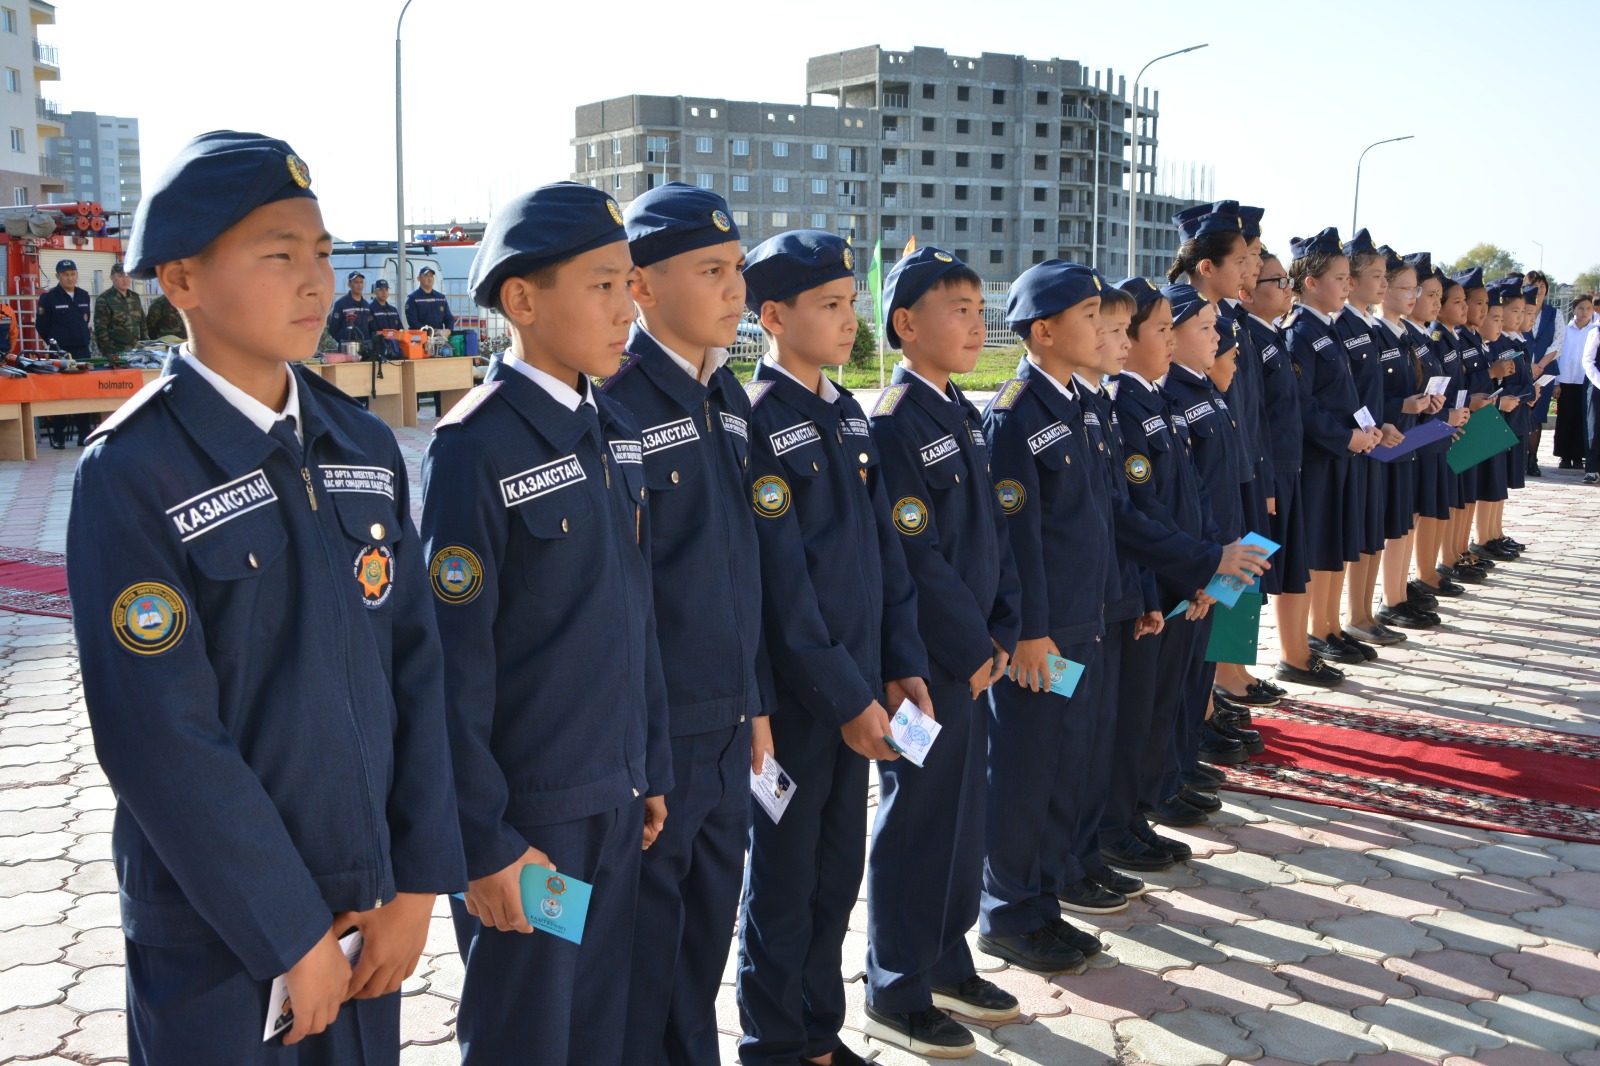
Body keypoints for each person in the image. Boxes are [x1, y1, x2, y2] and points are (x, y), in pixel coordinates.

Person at [65, 129, 465, 1065]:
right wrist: (288, 931)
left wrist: (416, 885)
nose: (315, 282)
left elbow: (416, 666)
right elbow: (160, 736)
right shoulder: (134, 472)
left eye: (322, 253)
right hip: (223, 936)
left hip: (368, 914)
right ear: (182, 281)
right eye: (279, 255)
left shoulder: (363, 447)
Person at [419, 182, 671, 1066]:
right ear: (523, 300)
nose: (625, 307)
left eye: (628, 283)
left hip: (612, 795)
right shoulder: (474, 447)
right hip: (532, 820)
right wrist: (484, 842)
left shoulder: (604, 427)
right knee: (526, 1033)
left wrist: (650, 766)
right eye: (601, 284)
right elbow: (448, 668)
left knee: (598, 1024)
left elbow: (633, 617)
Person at [734, 230, 930, 1066]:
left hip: (858, 692)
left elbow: (886, 556)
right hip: (800, 704)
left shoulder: (847, 413)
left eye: (851, 304)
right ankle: (775, 1042)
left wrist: (902, 664)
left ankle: (819, 1032)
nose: (850, 321)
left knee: (832, 875)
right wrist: (848, 698)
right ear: (773, 316)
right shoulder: (759, 423)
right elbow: (781, 588)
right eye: (829, 305)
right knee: (781, 885)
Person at [602, 183, 768, 1066]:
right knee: (645, 955)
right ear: (642, 287)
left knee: (702, 941)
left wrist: (758, 704)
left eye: (737, 267)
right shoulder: (618, 404)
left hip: (728, 722)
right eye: (711, 270)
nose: (734, 288)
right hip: (658, 734)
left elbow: (745, 569)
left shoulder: (727, 397)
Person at [861, 246, 1021, 1058]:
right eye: (956, 308)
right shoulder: (892, 422)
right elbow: (913, 555)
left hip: (975, 657)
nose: (975, 321)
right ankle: (895, 984)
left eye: (977, 306)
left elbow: (995, 534)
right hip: (925, 667)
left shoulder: (960, 409)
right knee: (918, 820)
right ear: (905, 325)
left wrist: (1005, 627)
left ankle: (947, 958)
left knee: (962, 821)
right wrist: (972, 643)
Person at [1279, 229, 1382, 686]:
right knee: (1315, 548)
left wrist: (1365, 428)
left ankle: (1327, 627)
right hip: (1318, 459)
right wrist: (1344, 438)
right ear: (1310, 283)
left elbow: (1345, 395)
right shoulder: (1301, 332)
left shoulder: (1328, 328)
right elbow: (1303, 405)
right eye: (1339, 278)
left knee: (1334, 544)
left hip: (1342, 451)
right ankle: (1301, 645)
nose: (1346, 285)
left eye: (1347, 278)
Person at [36, 258, 95, 447]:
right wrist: (56, 345)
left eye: (72, 274)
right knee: (60, 393)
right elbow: (42, 326)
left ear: (77, 275)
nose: (70, 278)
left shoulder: (84, 295)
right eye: (65, 275)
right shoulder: (49, 297)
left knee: (83, 392)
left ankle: (84, 434)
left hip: (82, 351)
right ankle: (59, 437)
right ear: (57, 276)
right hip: (60, 353)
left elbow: (85, 322)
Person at [1555, 294, 1594, 469]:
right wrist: (1556, 382)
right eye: (1580, 308)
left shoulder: (1595, 330)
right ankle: (1564, 456)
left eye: (1588, 308)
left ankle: (1579, 457)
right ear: (1573, 310)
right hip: (1566, 381)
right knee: (1565, 418)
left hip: (1587, 381)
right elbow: (1557, 357)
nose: (1584, 312)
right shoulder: (1565, 330)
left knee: (1583, 420)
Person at [93, 261, 146, 362]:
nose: (125, 279)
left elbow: (142, 322)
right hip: (116, 351)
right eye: (121, 276)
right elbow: (101, 328)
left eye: (128, 276)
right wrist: (107, 351)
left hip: (137, 350)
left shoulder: (135, 297)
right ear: (112, 277)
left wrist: (145, 343)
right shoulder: (104, 298)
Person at [328, 270, 372, 348]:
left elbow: (370, 327)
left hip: (365, 348)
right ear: (349, 284)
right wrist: (343, 341)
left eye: (361, 282)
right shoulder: (341, 304)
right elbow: (333, 329)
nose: (359, 285)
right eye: (356, 282)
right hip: (348, 348)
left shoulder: (366, 305)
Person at [406, 265, 455, 332]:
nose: (430, 278)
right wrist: (430, 331)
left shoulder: (441, 298)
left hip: (438, 338)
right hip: (420, 337)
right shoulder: (413, 298)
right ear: (418, 278)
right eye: (426, 276)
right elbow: (412, 322)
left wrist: (448, 330)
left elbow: (449, 319)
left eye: (431, 276)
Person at [368, 279, 401, 358]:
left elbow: (400, 329)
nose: (384, 292)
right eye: (381, 290)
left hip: (395, 349)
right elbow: (373, 332)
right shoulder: (370, 309)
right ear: (375, 291)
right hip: (379, 351)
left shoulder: (393, 310)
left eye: (386, 289)